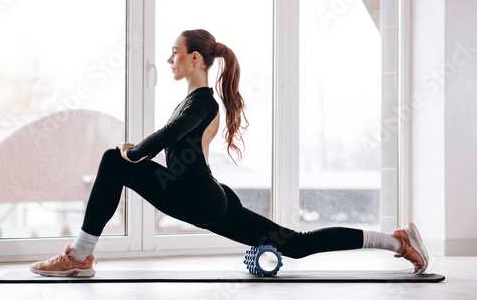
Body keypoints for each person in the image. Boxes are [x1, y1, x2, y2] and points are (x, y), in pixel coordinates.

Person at [30, 29, 429, 277]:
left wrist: (135, 155)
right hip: (209, 197)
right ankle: (396, 241)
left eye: (174, 52)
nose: (170, 59)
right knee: (296, 244)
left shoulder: (203, 102)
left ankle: (80, 256)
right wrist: (138, 152)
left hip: (199, 197)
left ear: (195, 59)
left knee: (111, 161)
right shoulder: (194, 101)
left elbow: (173, 133)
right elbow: (176, 136)